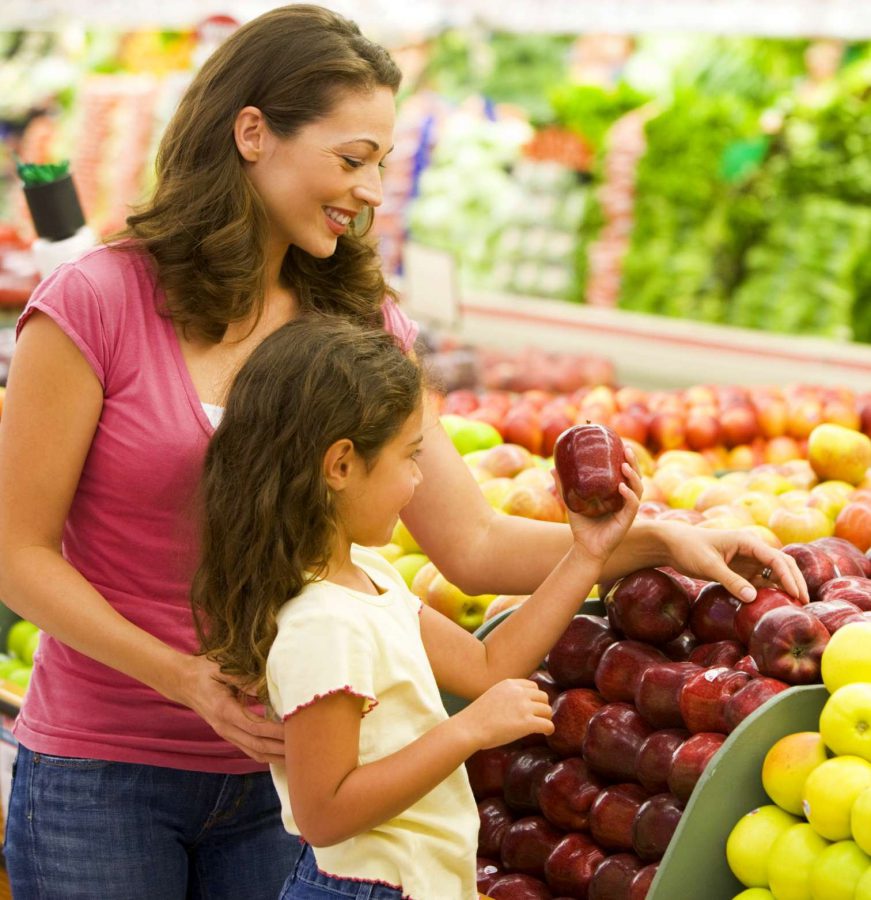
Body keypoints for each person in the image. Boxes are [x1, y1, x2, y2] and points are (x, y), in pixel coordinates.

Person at [0, 3, 805, 898]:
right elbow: (15, 553)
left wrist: (662, 537)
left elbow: (472, 547)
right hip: (104, 772)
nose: (375, 190)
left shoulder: (362, 329)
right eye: (352, 159)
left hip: (299, 782)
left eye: (382, 161)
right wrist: (186, 681)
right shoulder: (96, 302)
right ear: (253, 132)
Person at [191, 314, 644, 898]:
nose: (416, 482)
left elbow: (488, 666)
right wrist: (467, 732)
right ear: (341, 466)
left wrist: (586, 556)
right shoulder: (323, 624)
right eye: (409, 458)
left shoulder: (370, 580)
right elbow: (324, 813)